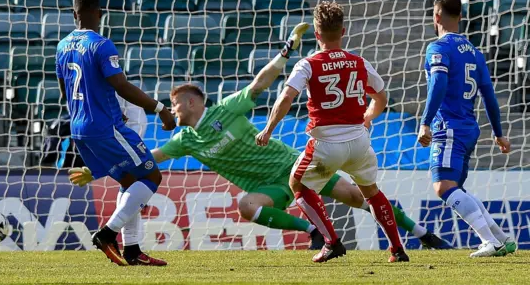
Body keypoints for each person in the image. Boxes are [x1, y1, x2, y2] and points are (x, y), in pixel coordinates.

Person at [148, 22, 448, 255]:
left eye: (174, 104)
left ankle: (423, 234)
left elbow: (259, 84)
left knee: (359, 197)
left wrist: (285, 51)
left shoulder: (226, 109)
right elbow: (155, 157)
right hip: (269, 187)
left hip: (293, 165)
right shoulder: (185, 140)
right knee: (247, 206)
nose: (172, 111)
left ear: (191, 102)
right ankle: (315, 232)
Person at [256, 1, 409, 263]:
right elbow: (381, 97)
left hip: (326, 142)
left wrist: (269, 129)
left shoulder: (308, 63)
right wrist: (368, 117)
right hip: (359, 141)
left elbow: (286, 97)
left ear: (317, 34)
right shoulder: (359, 62)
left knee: (297, 183)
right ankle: (397, 249)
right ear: (343, 31)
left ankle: (331, 242)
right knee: (371, 191)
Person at [55, 0, 176, 266]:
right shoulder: (101, 44)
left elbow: (65, 91)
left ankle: (133, 251)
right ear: (100, 13)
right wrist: (160, 109)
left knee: (130, 182)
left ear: (74, 14)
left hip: (78, 130)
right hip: (106, 127)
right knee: (152, 177)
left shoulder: (62, 46)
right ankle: (108, 234)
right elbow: (120, 85)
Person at [417, 0, 515, 258]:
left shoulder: (438, 48)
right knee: (455, 188)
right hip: (469, 128)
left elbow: (438, 83)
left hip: (449, 127)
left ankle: (489, 241)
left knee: (443, 186)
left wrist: (425, 122)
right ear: (460, 17)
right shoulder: (475, 52)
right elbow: (490, 96)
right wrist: (499, 133)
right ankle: (501, 238)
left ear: (436, 16)